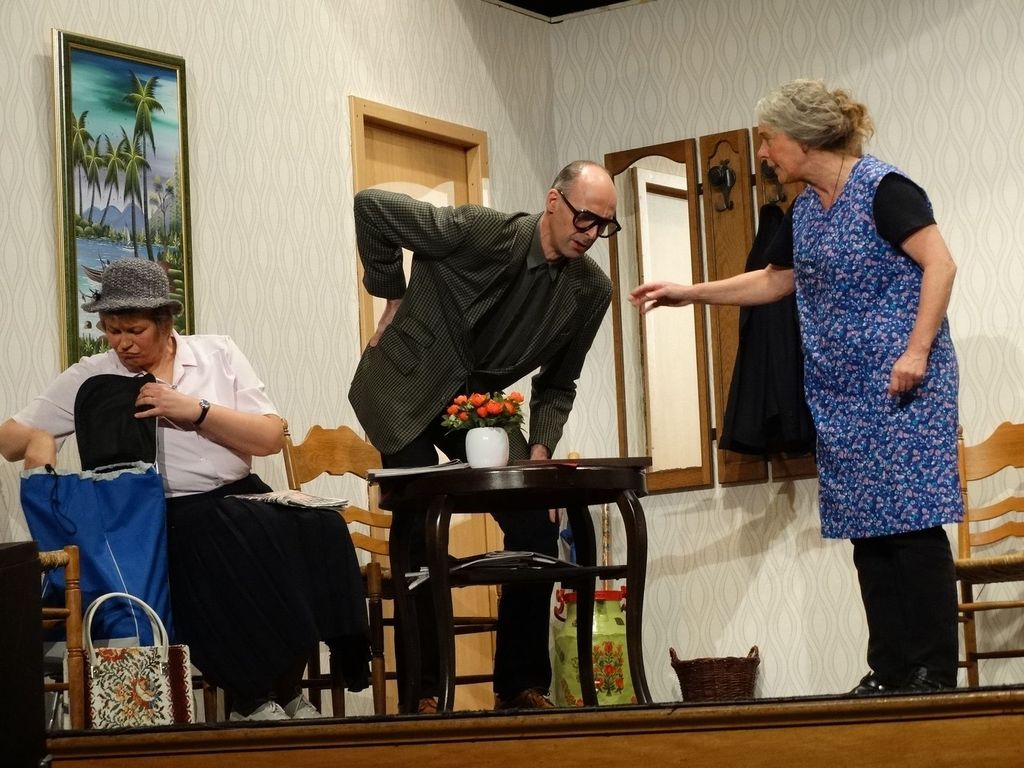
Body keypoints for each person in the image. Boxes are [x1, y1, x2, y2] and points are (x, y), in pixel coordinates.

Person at [631, 80, 962, 694]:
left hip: (903, 386)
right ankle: (890, 669)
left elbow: (940, 264)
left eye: (768, 138)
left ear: (804, 138)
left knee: (911, 526)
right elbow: (775, 280)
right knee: (868, 530)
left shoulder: (884, 189)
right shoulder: (806, 210)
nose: (762, 152)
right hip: (842, 394)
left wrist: (917, 349)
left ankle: (932, 672)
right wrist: (689, 293)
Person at [0, 258, 369, 721]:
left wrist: (194, 410)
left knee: (319, 528)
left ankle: (288, 683)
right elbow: (9, 441)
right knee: (229, 535)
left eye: (135, 330)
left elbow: (270, 438)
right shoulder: (93, 375)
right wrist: (41, 439)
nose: (122, 342)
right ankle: (252, 696)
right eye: (112, 330)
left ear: (165, 321)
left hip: (241, 492)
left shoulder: (217, 354)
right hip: (164, 510)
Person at [348, 160, 616, 711]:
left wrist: (539, 451)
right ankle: (423, 694)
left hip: (473, 401)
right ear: (553, 202)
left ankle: (519, 686)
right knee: (419, 525)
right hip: (406, 381)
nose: (591, 234)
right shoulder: (478, 230)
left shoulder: (591, 290)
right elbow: (371, 207)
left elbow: (558, 381)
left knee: (536, 526)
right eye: (584, 218)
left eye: (604, 225)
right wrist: (391, 294)